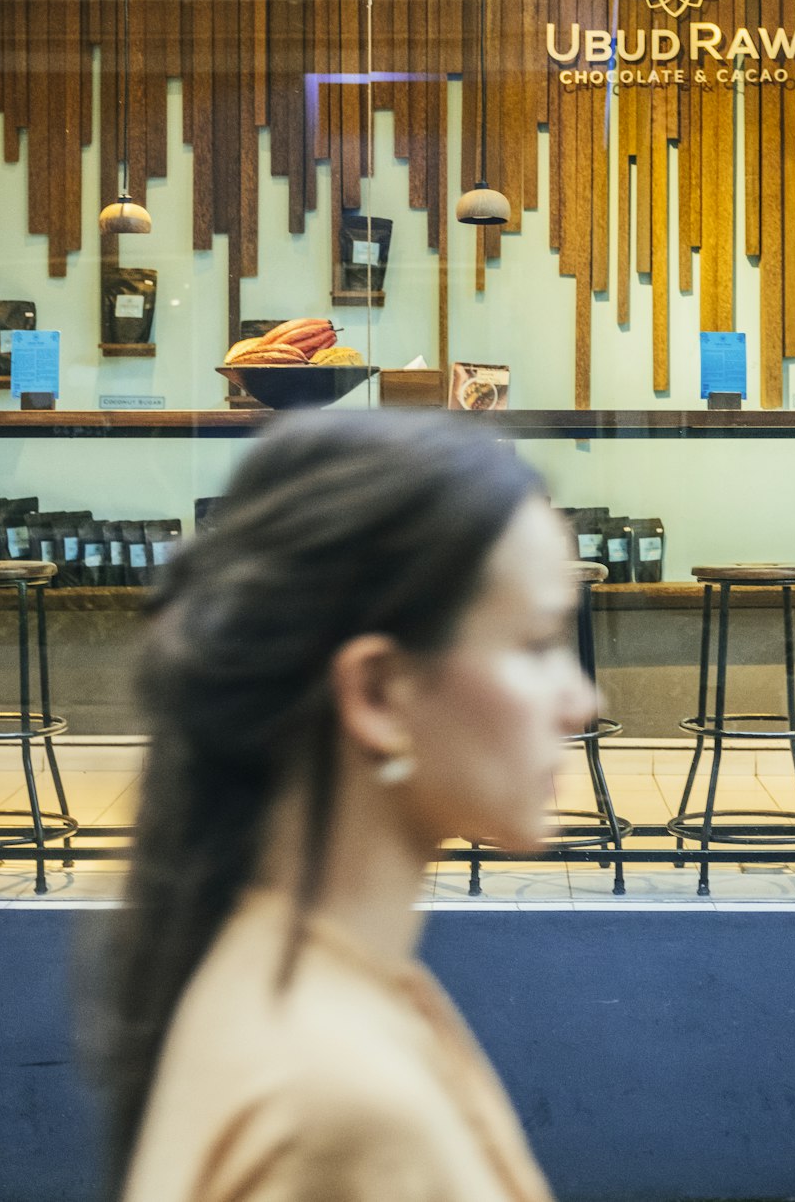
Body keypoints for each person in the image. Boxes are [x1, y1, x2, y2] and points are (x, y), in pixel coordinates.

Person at [107, 408, 594, 1202]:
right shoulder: (343, 1111)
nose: (582, 700)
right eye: (538, 642)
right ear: (375, 693)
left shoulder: (272, 978)